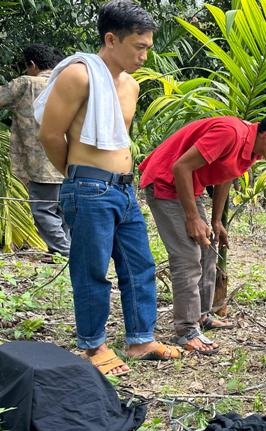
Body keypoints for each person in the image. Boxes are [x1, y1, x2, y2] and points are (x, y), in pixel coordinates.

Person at [35, 0, 181, 376]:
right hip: (88, 187)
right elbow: (50, 133)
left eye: (148, 47)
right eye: (139, 46)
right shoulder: (80, 75)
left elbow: (120, 140)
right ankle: (92, 346)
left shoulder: (131, 86)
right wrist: (76, 176)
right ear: (111, 39)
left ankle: (140, 339)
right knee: (92, 269)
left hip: (124, 190)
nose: (145, 55)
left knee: (139, 265)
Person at [139, 111, 266, 354]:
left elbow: (226, 177)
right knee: (187, 256)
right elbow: (180, 166)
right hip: (165, 182)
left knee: (208, 247)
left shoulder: (254, 149)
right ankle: (187, 330)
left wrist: (216, 221)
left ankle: (202, 316)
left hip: (187, 187)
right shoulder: (230, 133)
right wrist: (193, 217)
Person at [0, 44, 69, 258]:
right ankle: (67, 249)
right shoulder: (66, 81)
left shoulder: (26, 83)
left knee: (43, 209)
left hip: (41, 162)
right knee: (63, 211)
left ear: (32, 64)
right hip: (69, 160)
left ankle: (65, 253)